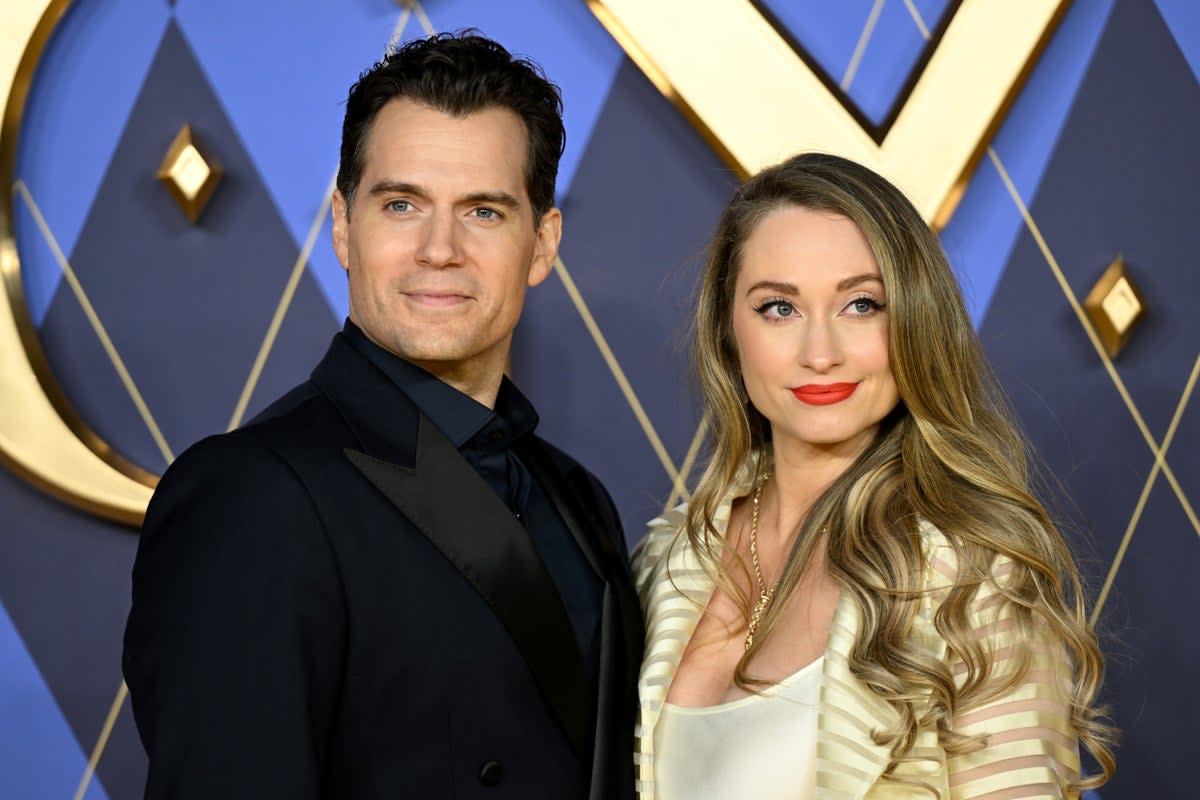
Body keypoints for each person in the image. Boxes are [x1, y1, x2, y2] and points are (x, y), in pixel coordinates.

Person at [123, 32, 643, 799]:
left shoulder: (578, 497)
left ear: (543, 244)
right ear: (342, 225)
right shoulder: (250, 496)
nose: (440, 249)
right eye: (402, 204)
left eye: (485, 212)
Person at [632, 153, 1115, 799]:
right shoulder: (666, 557)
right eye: (779, 308)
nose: (821, 352)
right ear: (728, 330)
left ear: (916, 320)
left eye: (862, 304)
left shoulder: (975, 579)